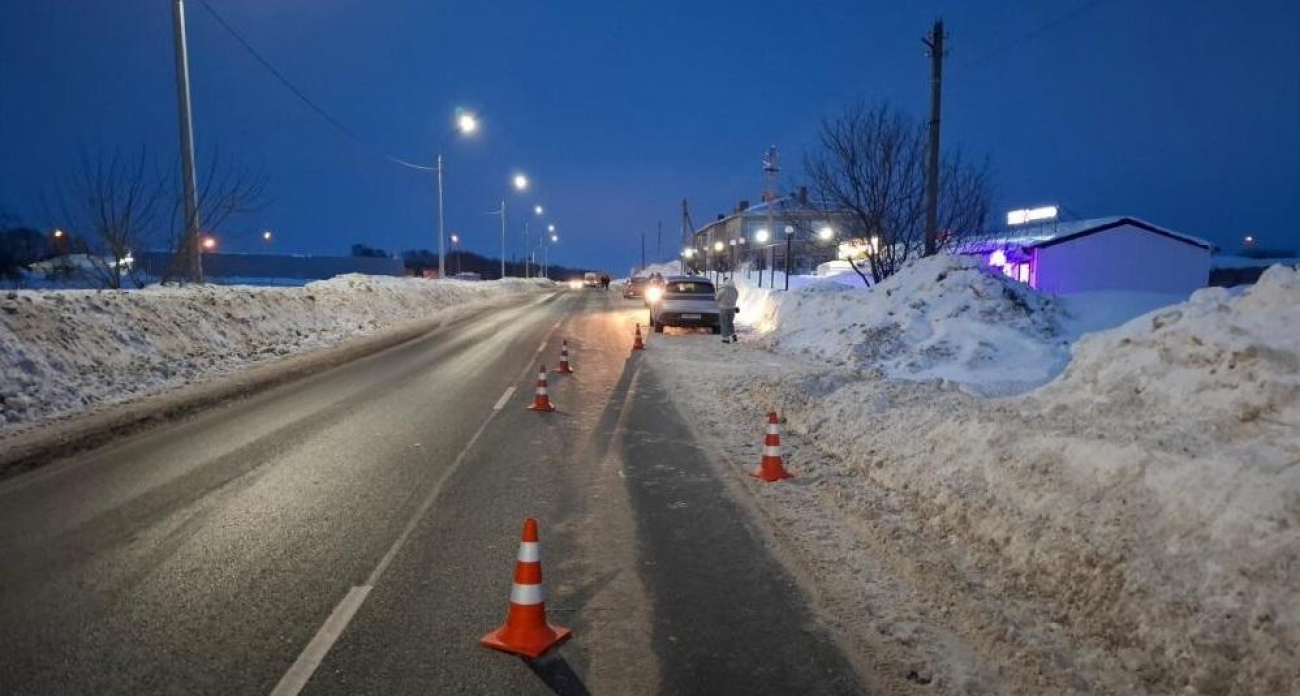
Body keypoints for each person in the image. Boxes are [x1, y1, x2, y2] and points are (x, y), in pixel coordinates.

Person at [716, 277, 739, 344]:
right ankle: (733, 335)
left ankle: (726, 338)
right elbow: (736, 298)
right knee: (730, 323)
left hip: (723, 309)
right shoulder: (735, 290)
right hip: (732, 309)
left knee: (724, 323)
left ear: (725, 282)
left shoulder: (723, 289)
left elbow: (717, 298)